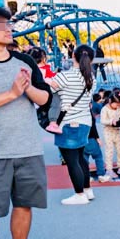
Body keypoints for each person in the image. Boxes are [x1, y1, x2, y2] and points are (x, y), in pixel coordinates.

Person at [0, 5, 53, 239]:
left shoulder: (24, 61)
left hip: (28, 148)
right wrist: (13, 92)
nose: (7, 28)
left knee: (24, 204)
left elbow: (46, 98)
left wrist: (28, 89)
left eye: (8, 23)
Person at [46, 45, 96, 205]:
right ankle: (87, 190)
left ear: (73, 55)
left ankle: (79, 194)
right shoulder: (91, 79)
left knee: (72, 160)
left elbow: (49, 89)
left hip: (68, 123)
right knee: (81, 158)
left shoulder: (65, 76)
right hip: (85, 122)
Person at [100, 90, 120, 178]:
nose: (118, 106)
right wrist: (111, 121)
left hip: (117, 131)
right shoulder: (105, 109)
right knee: (109, 150)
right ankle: (109, 169)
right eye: (117, 104)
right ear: (110, 101)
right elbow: (102, 120)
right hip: (108, 131)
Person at [85, 90, 108, 182]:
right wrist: (97, 138)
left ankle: (87, 176)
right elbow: (93, 127)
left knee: (84, 159)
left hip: (81, 139)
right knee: (98, 156)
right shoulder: (89, 113)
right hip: (91, 138)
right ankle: (101, 174)